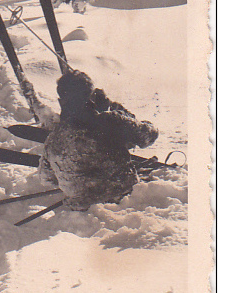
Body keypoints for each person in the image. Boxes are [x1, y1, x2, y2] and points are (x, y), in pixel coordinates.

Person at [38, 70, 159, 211]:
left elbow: (46, 178)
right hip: (124, 203)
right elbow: (148, 136)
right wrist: (117, 109)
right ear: (92, 98)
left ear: (60, 101)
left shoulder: (53, 138)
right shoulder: (111, 121)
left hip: (80, 209)